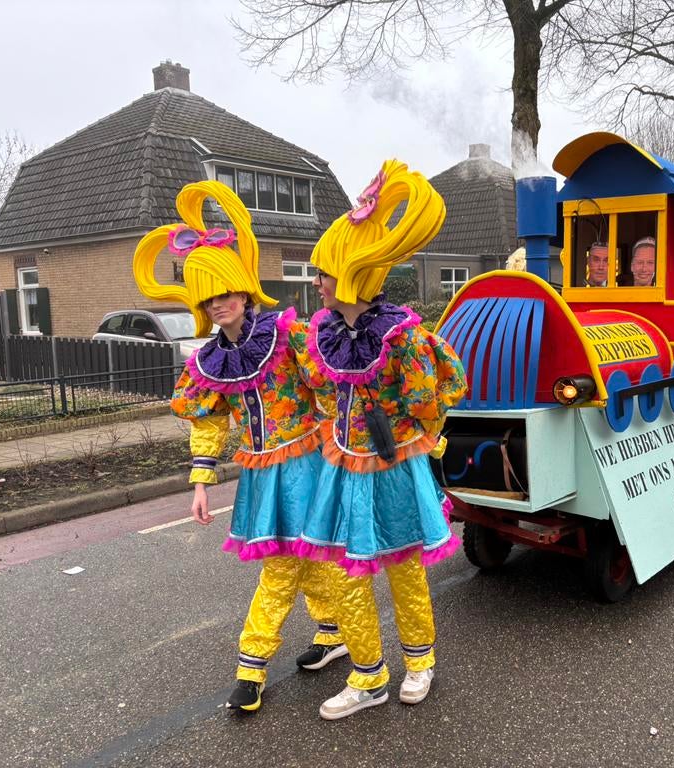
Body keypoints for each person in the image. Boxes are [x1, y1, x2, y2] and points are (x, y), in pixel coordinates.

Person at [133, 180, 349, 714]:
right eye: (208, 297)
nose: (218, 303)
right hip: (261, 472)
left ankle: (250, 668)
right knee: (307, 558)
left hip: (308, 461)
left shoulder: (287, 336)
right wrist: (202, 482)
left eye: (225, 292)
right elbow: (208, 423)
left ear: (244, 289)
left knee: (281, 565)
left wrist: (350, 447)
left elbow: (330, 385)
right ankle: (336, 631)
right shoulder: (210, 361)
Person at [294, 159, 467, 720]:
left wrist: (410, 428)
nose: (314, 283)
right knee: (349, 574)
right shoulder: (322, 334)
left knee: (403, 570)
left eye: (321, 274)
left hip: (392, 468)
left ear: (346, 275)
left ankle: (420, 663)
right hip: (343, 468)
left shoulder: (402, 335)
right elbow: (317, 392)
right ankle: (368, 675)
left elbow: (438, 393)